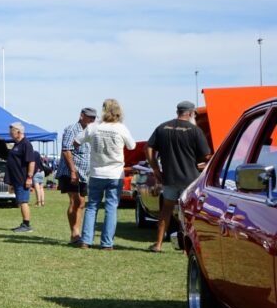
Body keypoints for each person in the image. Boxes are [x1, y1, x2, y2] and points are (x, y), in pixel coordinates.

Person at [145, 100, 211, 252]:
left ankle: (158, 244)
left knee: (166, 211)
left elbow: (148, 147)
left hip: (169, 178)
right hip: (190, 180)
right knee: (189, 213)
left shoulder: (162, 128)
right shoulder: (195, 131)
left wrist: (155, 168)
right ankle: (188, 247)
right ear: (190, 113)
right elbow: (205, 155)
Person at [74, 99, 136, 249]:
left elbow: (76, 142)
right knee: (111, 207)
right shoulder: (121, 128)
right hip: (115, 174)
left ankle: (86, 241)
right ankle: (107, 243)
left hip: (96, 173)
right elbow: (132, 146)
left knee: (92, 207)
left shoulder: (94, 127)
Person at [56, 107, 96, 245]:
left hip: (84, 174)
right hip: (71, 172)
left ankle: (77, 233)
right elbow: (66, 150)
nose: (92, 120)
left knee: (82, 203)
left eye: (94, 118)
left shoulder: (91, 131)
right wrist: (73, 171)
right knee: (76, 201)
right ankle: (75, 234)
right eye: (90, 117)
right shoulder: (72, 129)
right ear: (81, 116)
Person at [5, 122, 38, 233]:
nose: (10, 133)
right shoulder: (16, 144)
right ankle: (24, 223)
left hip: (22, 178)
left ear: (18, 132)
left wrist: (29, 178)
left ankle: (26, 225)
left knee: (23, 201)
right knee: (20, 201)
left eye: (12, 131)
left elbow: (31, 162)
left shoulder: (26, 144)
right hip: (16, 178)